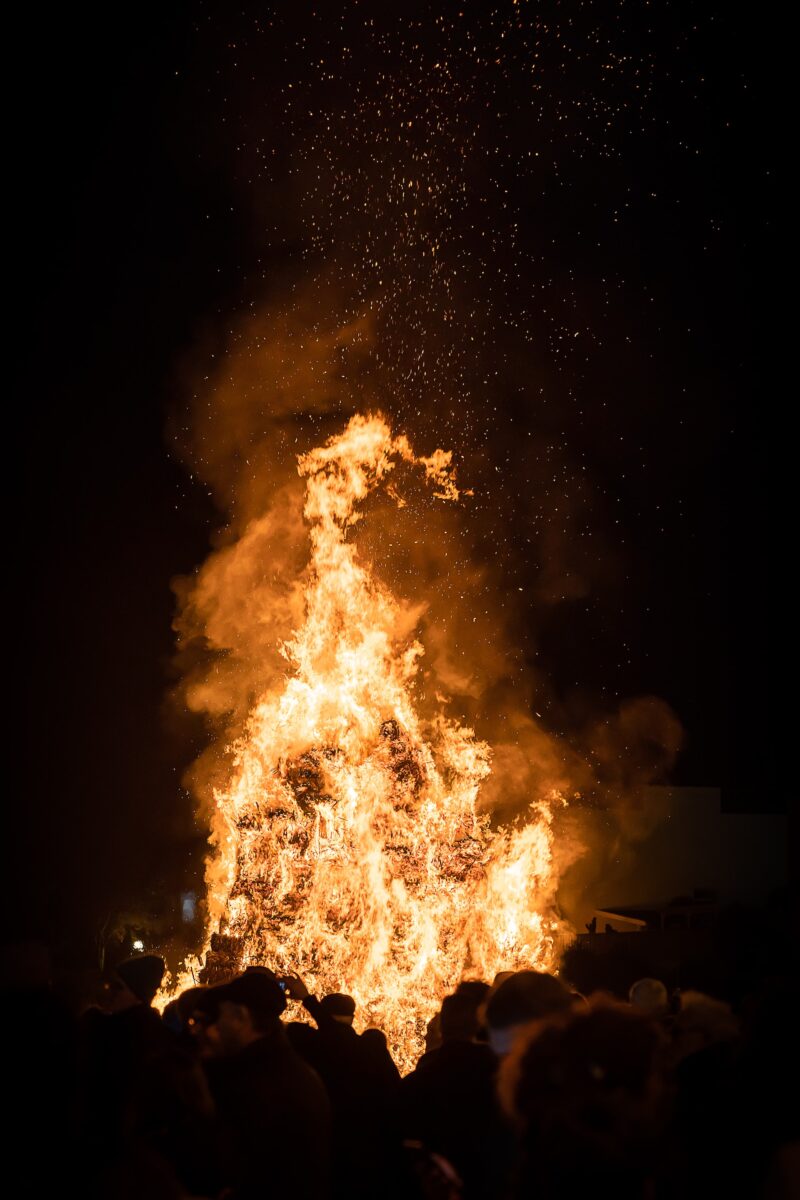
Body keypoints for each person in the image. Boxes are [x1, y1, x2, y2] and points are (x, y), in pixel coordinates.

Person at [204, 969, 331, 1200]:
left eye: (220, 1017)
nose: (213, 1029)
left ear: (241, 1016)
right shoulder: (289, 1068)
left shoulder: (259, 1082)